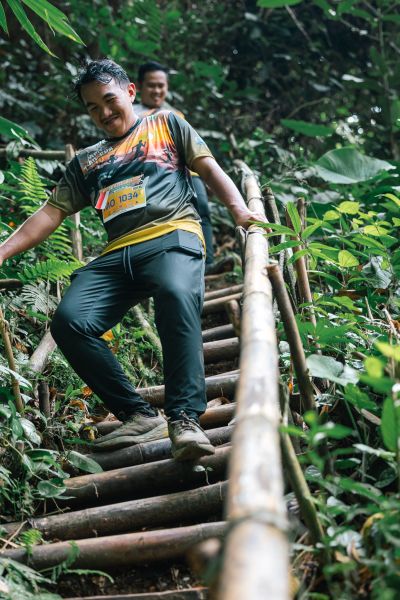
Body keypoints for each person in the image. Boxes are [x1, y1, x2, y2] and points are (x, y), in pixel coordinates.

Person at [0, 59, 267, 460]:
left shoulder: (167, 124)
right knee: (70, 321)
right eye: (93, 107)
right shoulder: (86, 161)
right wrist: (2, 251)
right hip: (117, 254)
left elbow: (209, 169)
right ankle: (137, 415)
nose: (104, 112)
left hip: (172, 234)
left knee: (176, 293)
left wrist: (239, 210)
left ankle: (184, 418)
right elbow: (50, 214)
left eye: (109, 100)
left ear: (130, 92)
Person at [135, 61, 230, 275]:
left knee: (202, 210)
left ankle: (207, 264)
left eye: (161, 85)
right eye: (151, 85)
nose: (157, 90)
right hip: (155, 174)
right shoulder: (131, 114)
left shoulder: (175, 114)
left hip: (188, 170)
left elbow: (191, 146)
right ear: (139, 86)